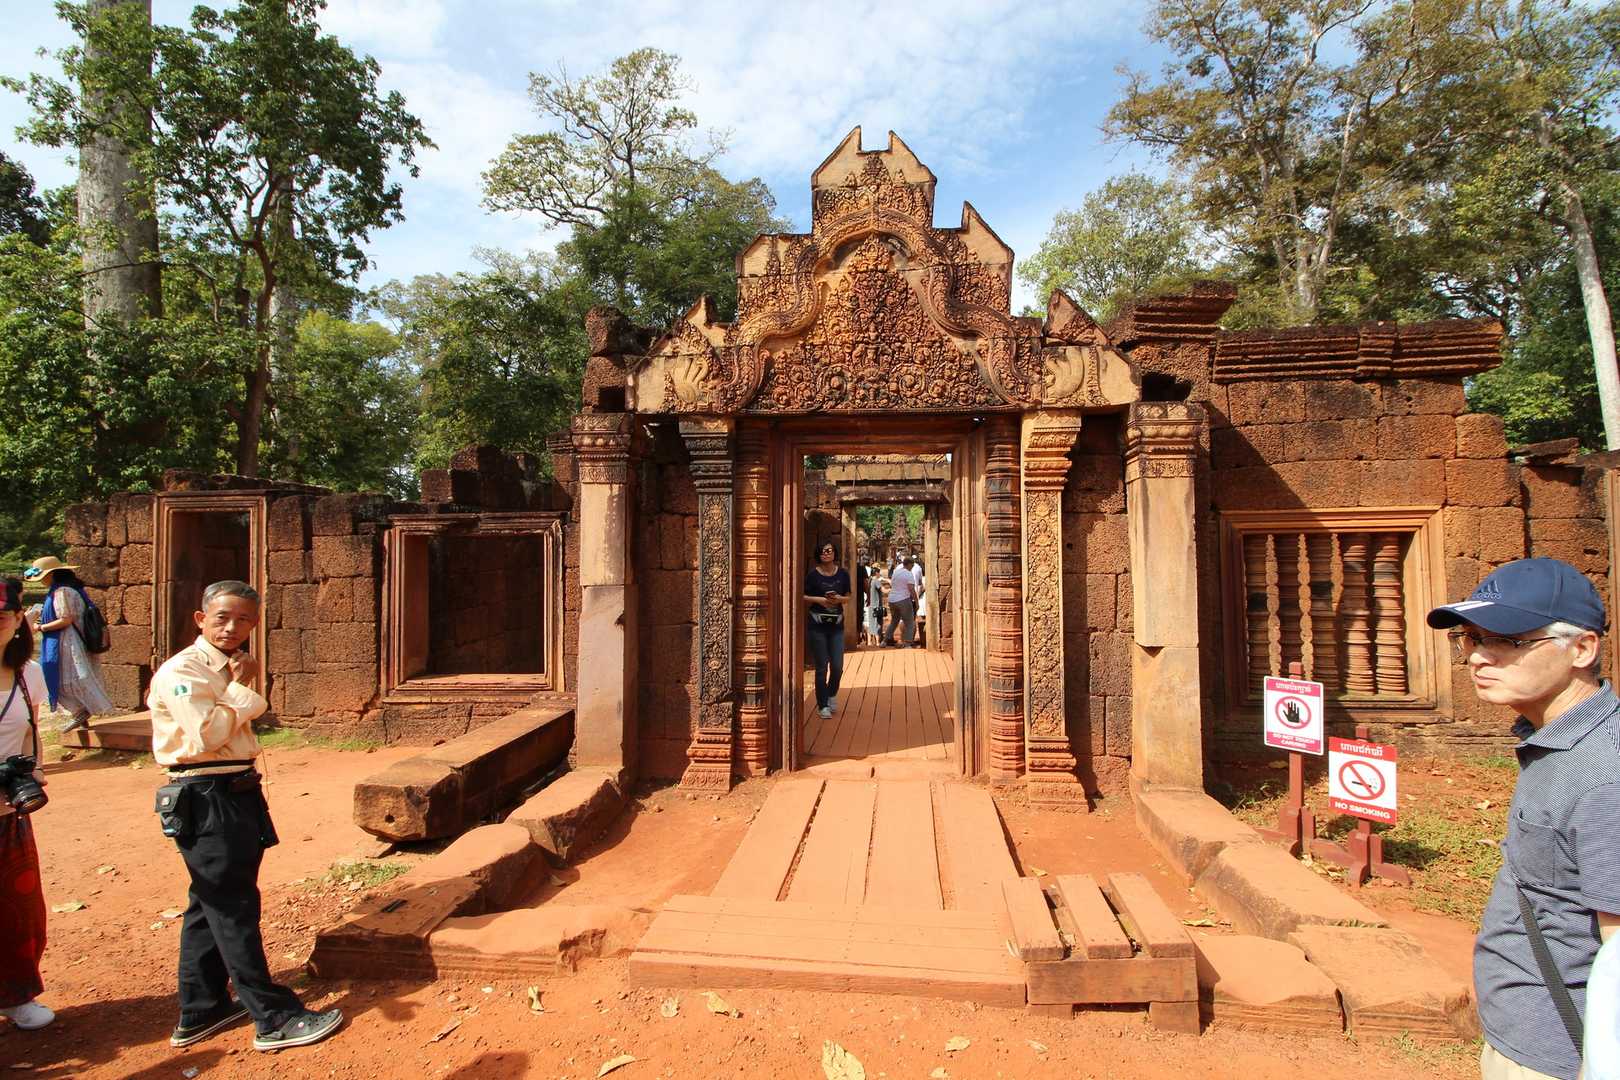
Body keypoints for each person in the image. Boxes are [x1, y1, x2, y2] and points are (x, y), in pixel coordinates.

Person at [1427, 557, 1619, 1080]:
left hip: (1563, 1057)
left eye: (1508, 641)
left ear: (1582, 649)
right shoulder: (1554, 742)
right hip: (1528, 1037)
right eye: (1472, 639)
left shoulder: (1605, 776)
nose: (1477, 657)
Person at [149, 580, 342, 1052]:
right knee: (232, 906)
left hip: (234, 789)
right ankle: (273, 1018)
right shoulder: (184, 670)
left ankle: (202, 1008)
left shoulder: (227, 668)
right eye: (222, 618)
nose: (231, 628)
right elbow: (205, 735)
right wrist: (241, 689)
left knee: (209, 901)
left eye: (243, 620)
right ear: (201, 619)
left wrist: (236, 686)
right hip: (205, 793)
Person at [0, 578, 53, 1031]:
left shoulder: (27, 674)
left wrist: (32, 770)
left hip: (6, 813)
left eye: (1, 617)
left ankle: (17, 994)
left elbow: (30, 733)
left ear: (19, 619)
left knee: (19, 910)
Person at [23, 556, 114, 733]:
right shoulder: (72, 589)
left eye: (42, 576)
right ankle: (80, 712)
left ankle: (79, 711)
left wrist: (40, 627)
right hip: (73, 640)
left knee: (59, 676)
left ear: (51, 575)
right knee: (71, 677)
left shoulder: (61, 591)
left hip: (66, 642)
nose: (41, 581)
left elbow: (66, 619)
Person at [804, 542, 850, 720]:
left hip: (836, 625)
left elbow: (848, 596)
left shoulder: (843, 574)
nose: (826, 553)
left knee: (837, 667)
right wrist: (820, 600)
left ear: (834, 553)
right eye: (822, 551)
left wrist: (839, 599)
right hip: (817, 624)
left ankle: (831, 694)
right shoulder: (813, 575)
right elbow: (802, 596)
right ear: (818, 554)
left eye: (829, 550)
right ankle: (822, 705)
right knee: (821, 666)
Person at [883, 553, 923, 647]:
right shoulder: (908, 574)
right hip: (903, 599)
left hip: (892, 600)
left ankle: (884, 641)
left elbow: (892, 584)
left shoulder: (896, 572)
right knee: (909, 622)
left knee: (894, 621)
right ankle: (908, 643)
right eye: (912, 566)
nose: (912, 568)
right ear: (909, 564)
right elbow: (911, 589)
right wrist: (916, 602)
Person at [866, 567, 888, 647]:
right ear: (876, 573)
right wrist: (892, 589)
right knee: (877, 624)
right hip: (876, 606)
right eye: (879, 572)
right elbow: (884, 590)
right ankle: (878, 642)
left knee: (871, 624)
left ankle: (869, 642)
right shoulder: (876, 581)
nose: (880, 574)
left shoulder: (870, 581)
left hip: (871, 605)